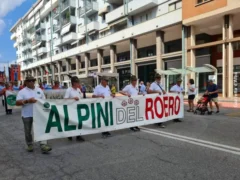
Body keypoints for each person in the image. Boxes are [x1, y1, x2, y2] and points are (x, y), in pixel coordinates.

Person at [16, 75, 52, 153]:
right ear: (26, 82)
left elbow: (44, 101)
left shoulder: (39, 90)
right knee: (28, 131)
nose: (31, 82)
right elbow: (17, 103)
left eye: (33, 80)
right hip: (27, 114)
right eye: (29, 81)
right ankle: (29, 144)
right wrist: (27, 101)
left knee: (41, 129)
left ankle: (43, 145)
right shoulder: (22, 92)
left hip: (38, 114)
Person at [64, 76, 85, 142]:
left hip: (78, 109)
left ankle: (78, 135)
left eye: (78, 82)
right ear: (73, 83)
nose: (78, 83)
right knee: (71, 122)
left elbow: (81, 98)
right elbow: (65, 99)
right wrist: (73, 99)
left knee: (79, 122)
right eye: (77, 82)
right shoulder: (69, 90)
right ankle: (69, 134)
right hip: (71, 109)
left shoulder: (78, 90)